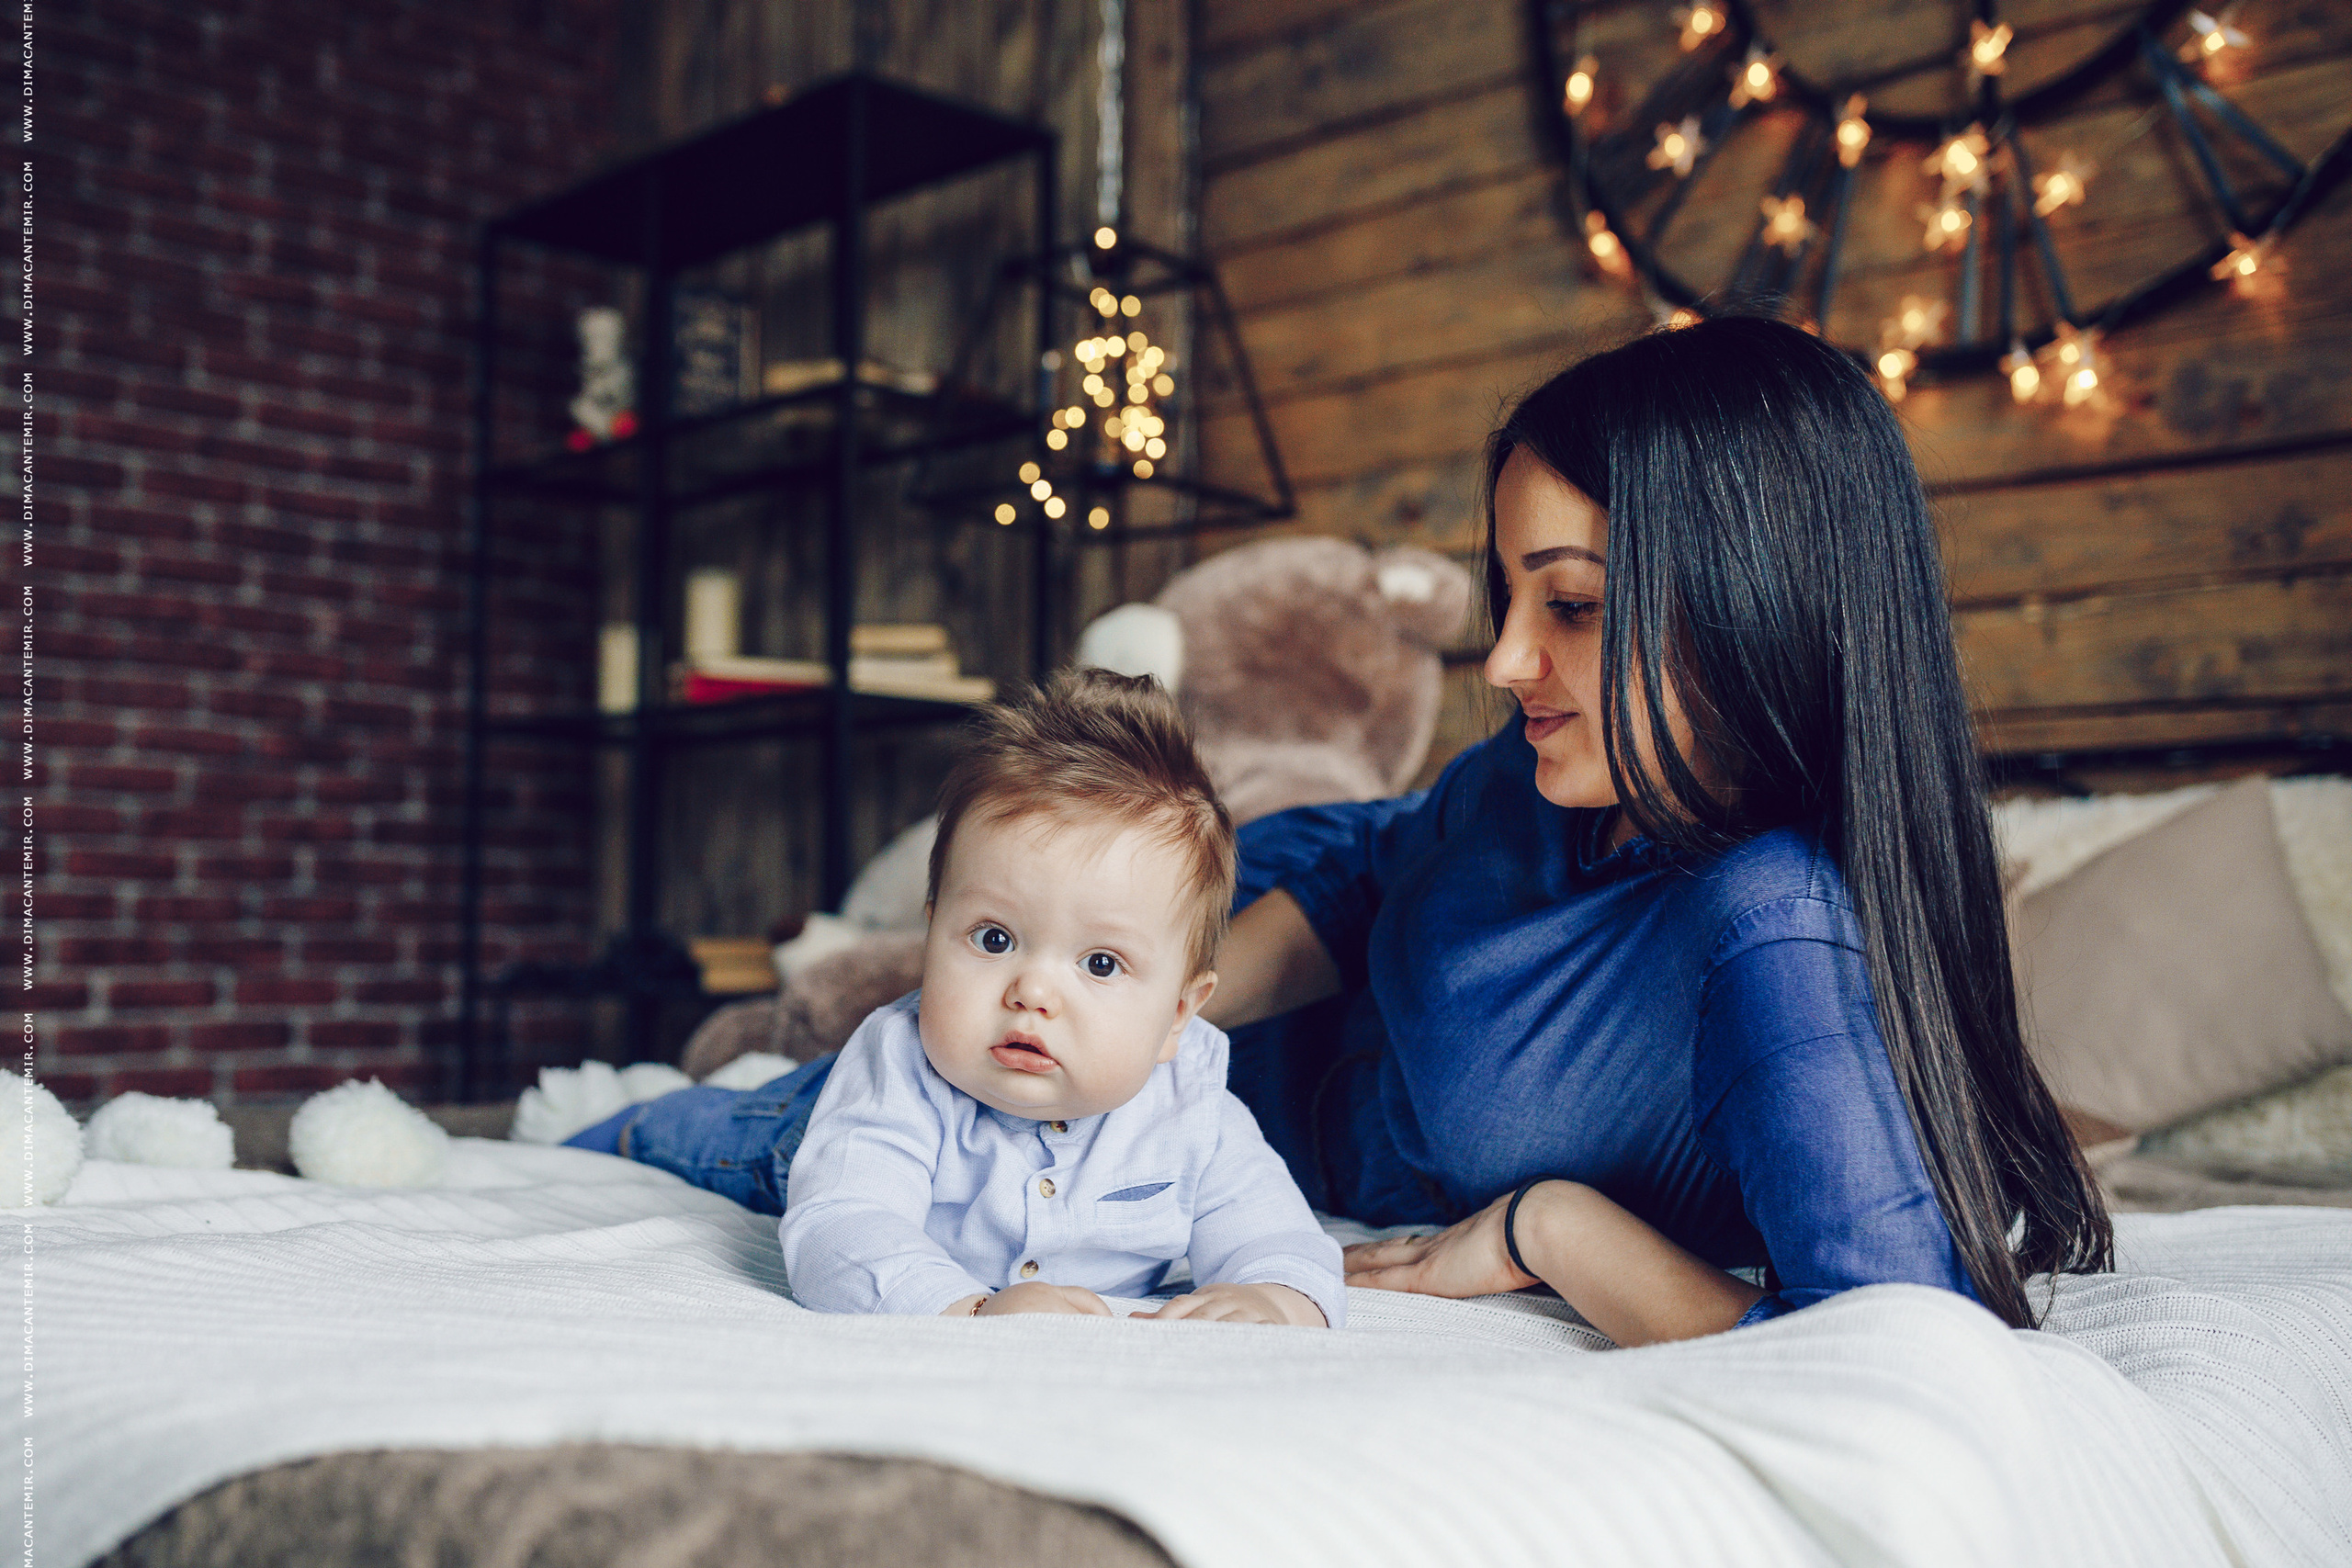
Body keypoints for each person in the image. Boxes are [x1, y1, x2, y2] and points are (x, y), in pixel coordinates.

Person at [1205, 314, 2111, 1347]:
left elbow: (1898, 1341)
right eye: (1512, 595)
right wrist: (1154, 1008)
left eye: (1575, 604)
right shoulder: (1544, 769)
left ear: (1760, 606)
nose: (1503, 663)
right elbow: (1364, 867)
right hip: (1185, 943)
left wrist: (1541, 1228)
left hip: (1238, 1119)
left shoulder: (1774, 933)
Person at [567, 670, 1342, 1328]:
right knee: (703, 1128)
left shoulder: (1195, 1110)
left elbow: (1278, 1235)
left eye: (1100, 962)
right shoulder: (900, 1064)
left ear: (1179, 1013)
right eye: (996, 939)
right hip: (794, 1134)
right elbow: (843, 1227)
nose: (1033, 990)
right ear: (933, 932)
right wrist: (963, 1309)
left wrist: (1274, 1298)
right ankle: (622, 1110)